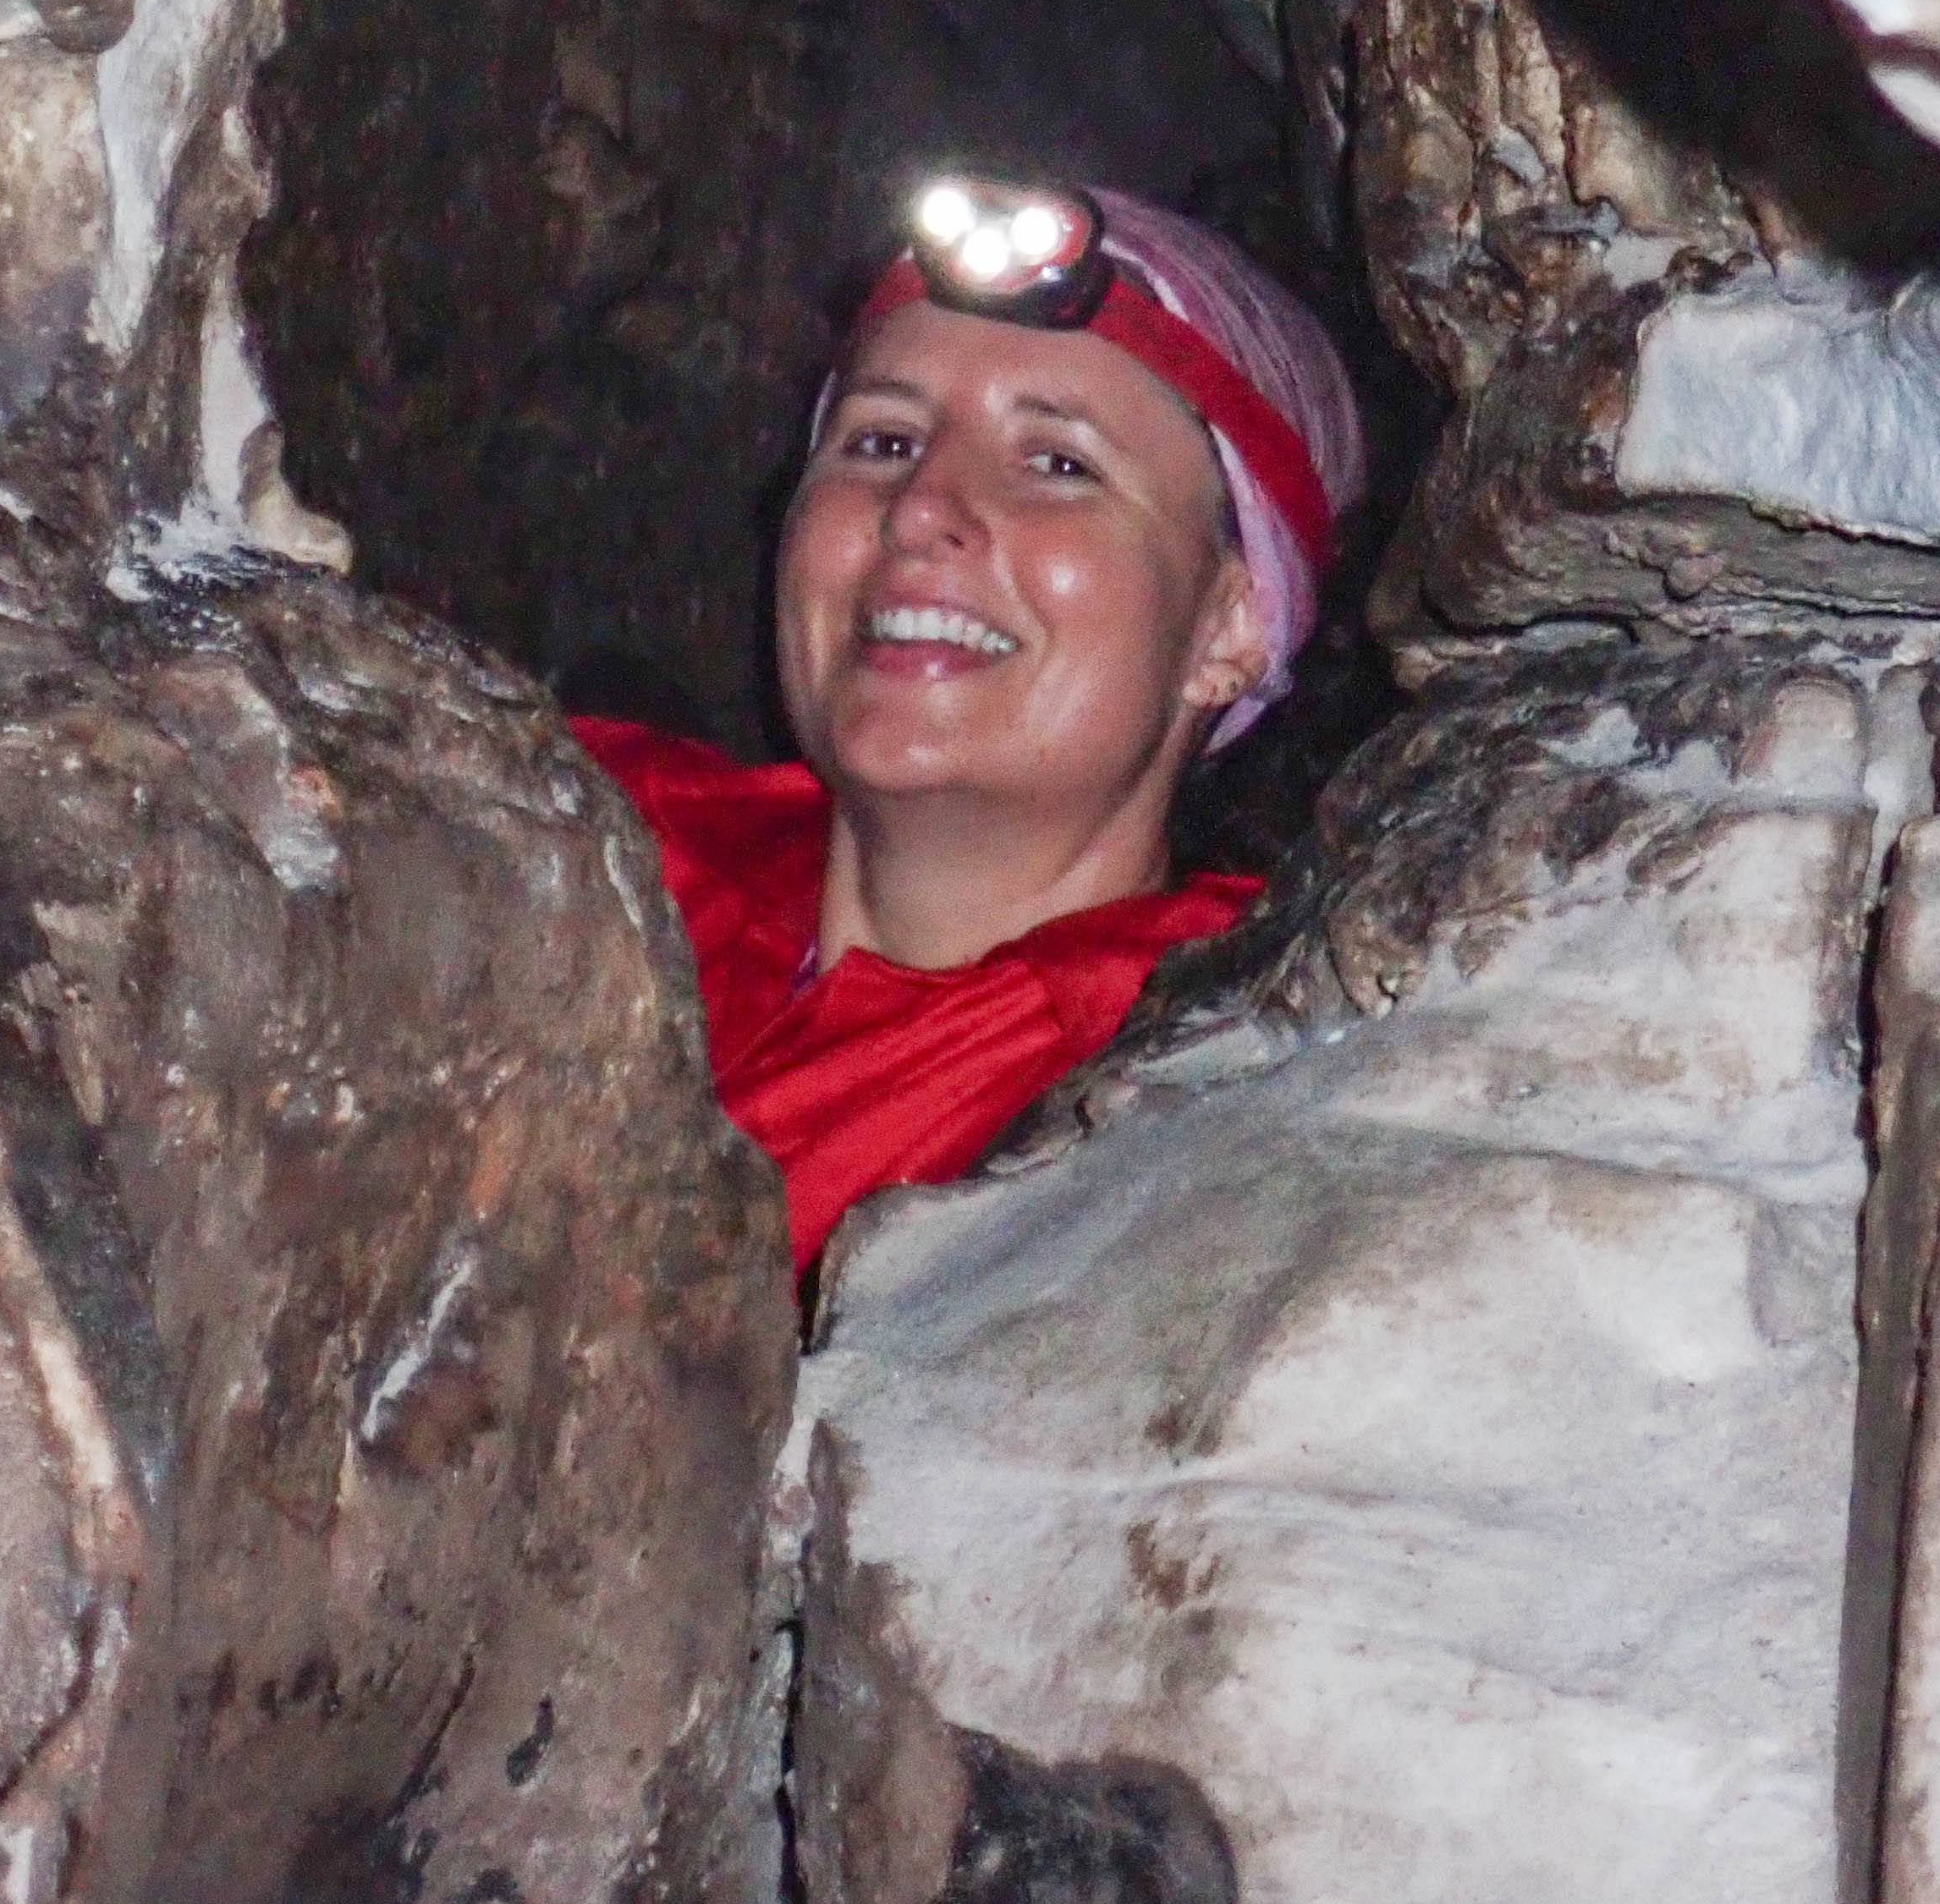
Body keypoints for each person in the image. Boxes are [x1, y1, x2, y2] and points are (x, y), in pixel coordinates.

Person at [573, 176, 1366, 1279]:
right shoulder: (567, 841)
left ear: (1230, 624)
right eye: (882, 442)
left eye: (1057, 464)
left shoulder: (1234, 1086)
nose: (919, 510)